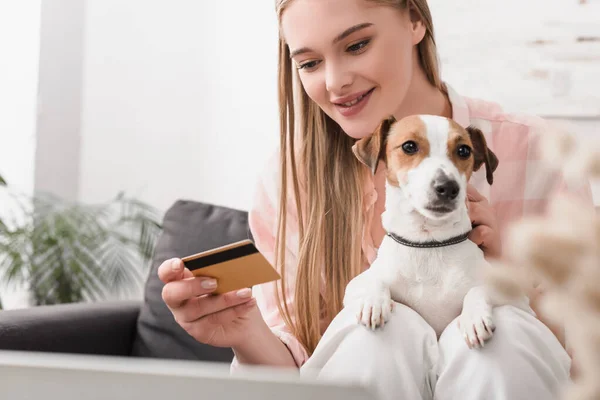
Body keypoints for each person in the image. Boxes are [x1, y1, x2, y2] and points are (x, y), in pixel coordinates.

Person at [158, 1, 594, 399]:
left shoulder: (537, 153)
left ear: (415, 20)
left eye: (358, 44)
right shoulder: (286, 182)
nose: (334, 82)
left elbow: (588, 355)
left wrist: (509, 279)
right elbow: (293, 379)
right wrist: (244, 332)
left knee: (501, 335)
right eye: (309, 63)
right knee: (378, 334)